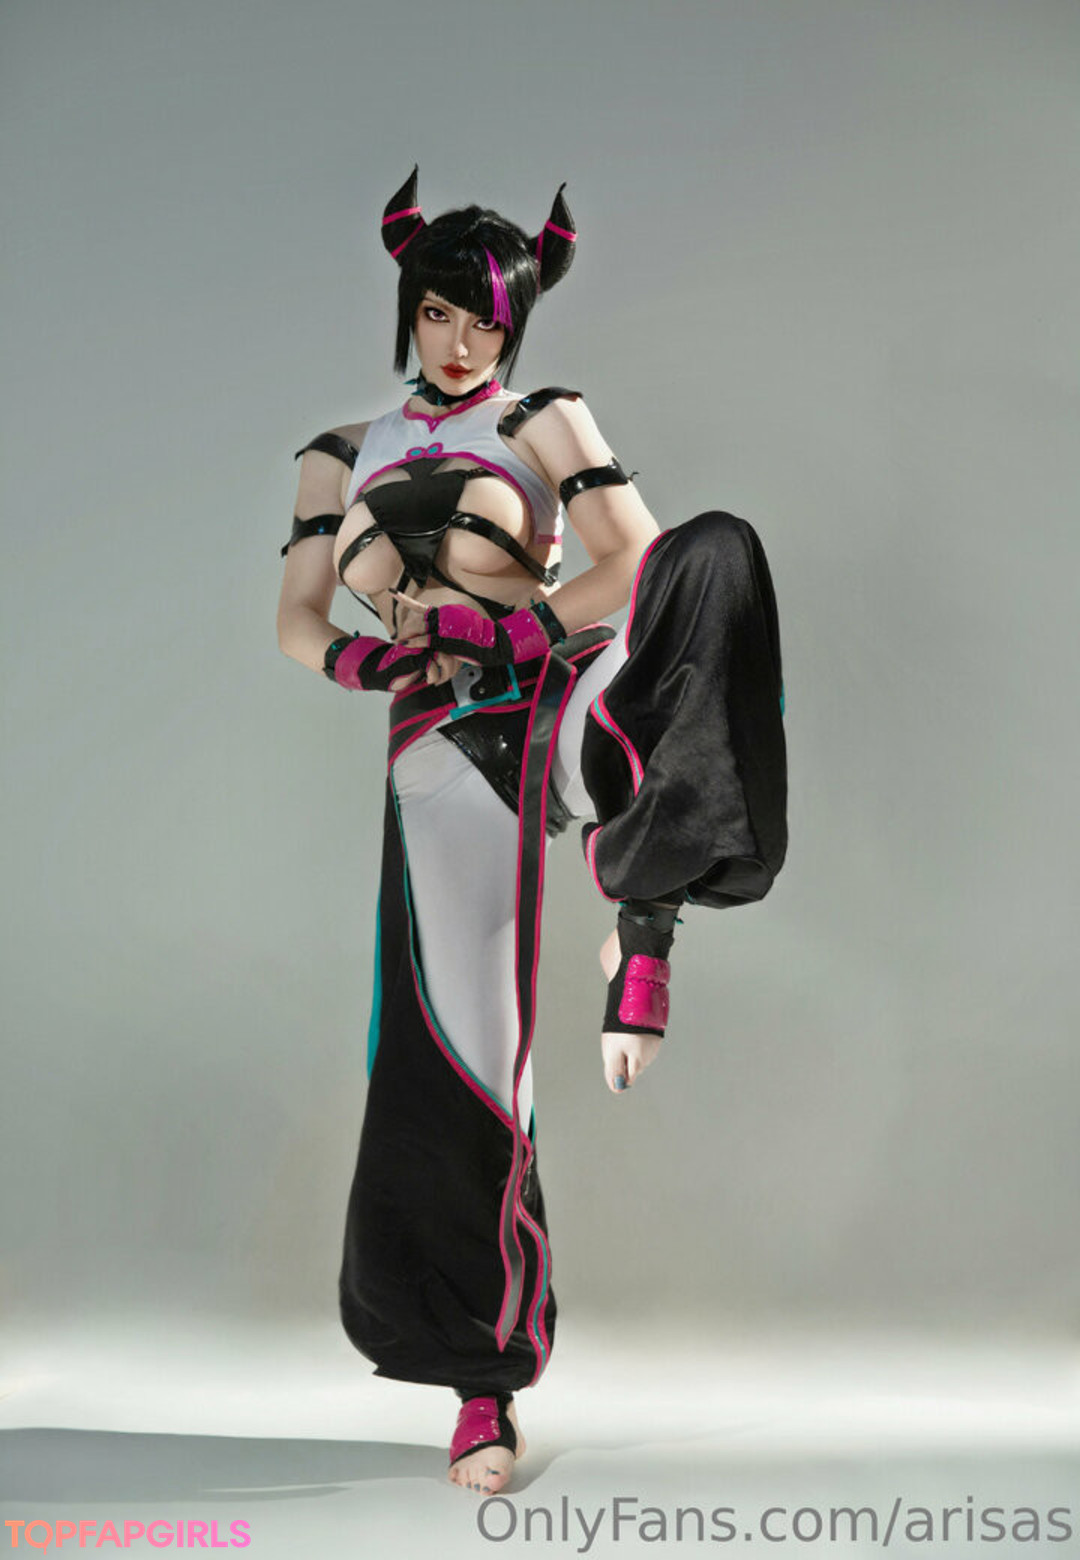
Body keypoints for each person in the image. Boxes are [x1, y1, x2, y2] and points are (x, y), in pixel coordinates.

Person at [276, 168, 788, 1497]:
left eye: (486, 321)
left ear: (517, 324)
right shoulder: (339, 452)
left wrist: (513, 629)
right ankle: (480, 1388)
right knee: (463, 1064)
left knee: (717, 559)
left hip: (554, 691)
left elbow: (636, 559)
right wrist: (358, 662)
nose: (461, 343)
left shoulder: (540, 418)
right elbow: (296, 621)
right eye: (440, 314)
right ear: (410, 307)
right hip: (436, 745)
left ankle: (646, 924)